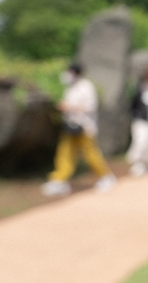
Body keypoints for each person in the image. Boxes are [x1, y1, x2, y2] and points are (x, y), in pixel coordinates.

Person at [41, 62, 117, 196]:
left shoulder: (86, 87)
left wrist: (69, 107)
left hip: (84, 126)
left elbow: (90, 107)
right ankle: (59, 180)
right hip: (70, 126)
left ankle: (105, 176)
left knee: (90, 153)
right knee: (65, 153)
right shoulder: (71, 88)